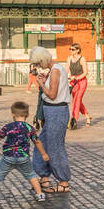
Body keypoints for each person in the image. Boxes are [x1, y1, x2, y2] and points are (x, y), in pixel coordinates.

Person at [0, 100, 48, 204]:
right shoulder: (30, 128)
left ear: (13, 114)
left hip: (8, 157)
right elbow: (37, 142)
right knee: (31, 176)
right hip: (23, 158)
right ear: (27, 115)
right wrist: (44, 154)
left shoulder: (8, 127)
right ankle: (40, 194)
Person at [28, 45, 71, 192]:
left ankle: (63, 181)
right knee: (42, 144)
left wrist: (41, 83)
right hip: (51, 111)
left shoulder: (55, 71)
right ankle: (44, 177)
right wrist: (45, 79)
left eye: (39, 64)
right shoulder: (54, 71)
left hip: (56, 111)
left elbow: (52, 95)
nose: (39, 67)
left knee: (55, 147)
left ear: (43, 60)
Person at [67, 43, 91, 128]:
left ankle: (74, 119)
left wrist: (77, 78)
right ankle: (87, 116)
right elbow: (67, 70)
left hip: (81, 82)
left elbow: (85, 72)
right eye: (70, 49)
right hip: (73, 82)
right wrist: (69, 77)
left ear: (77, 50)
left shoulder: (82, 59)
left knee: (77, 100)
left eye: (73, 49)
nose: (71, 51)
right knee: (76, 101)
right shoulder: (69, 58)